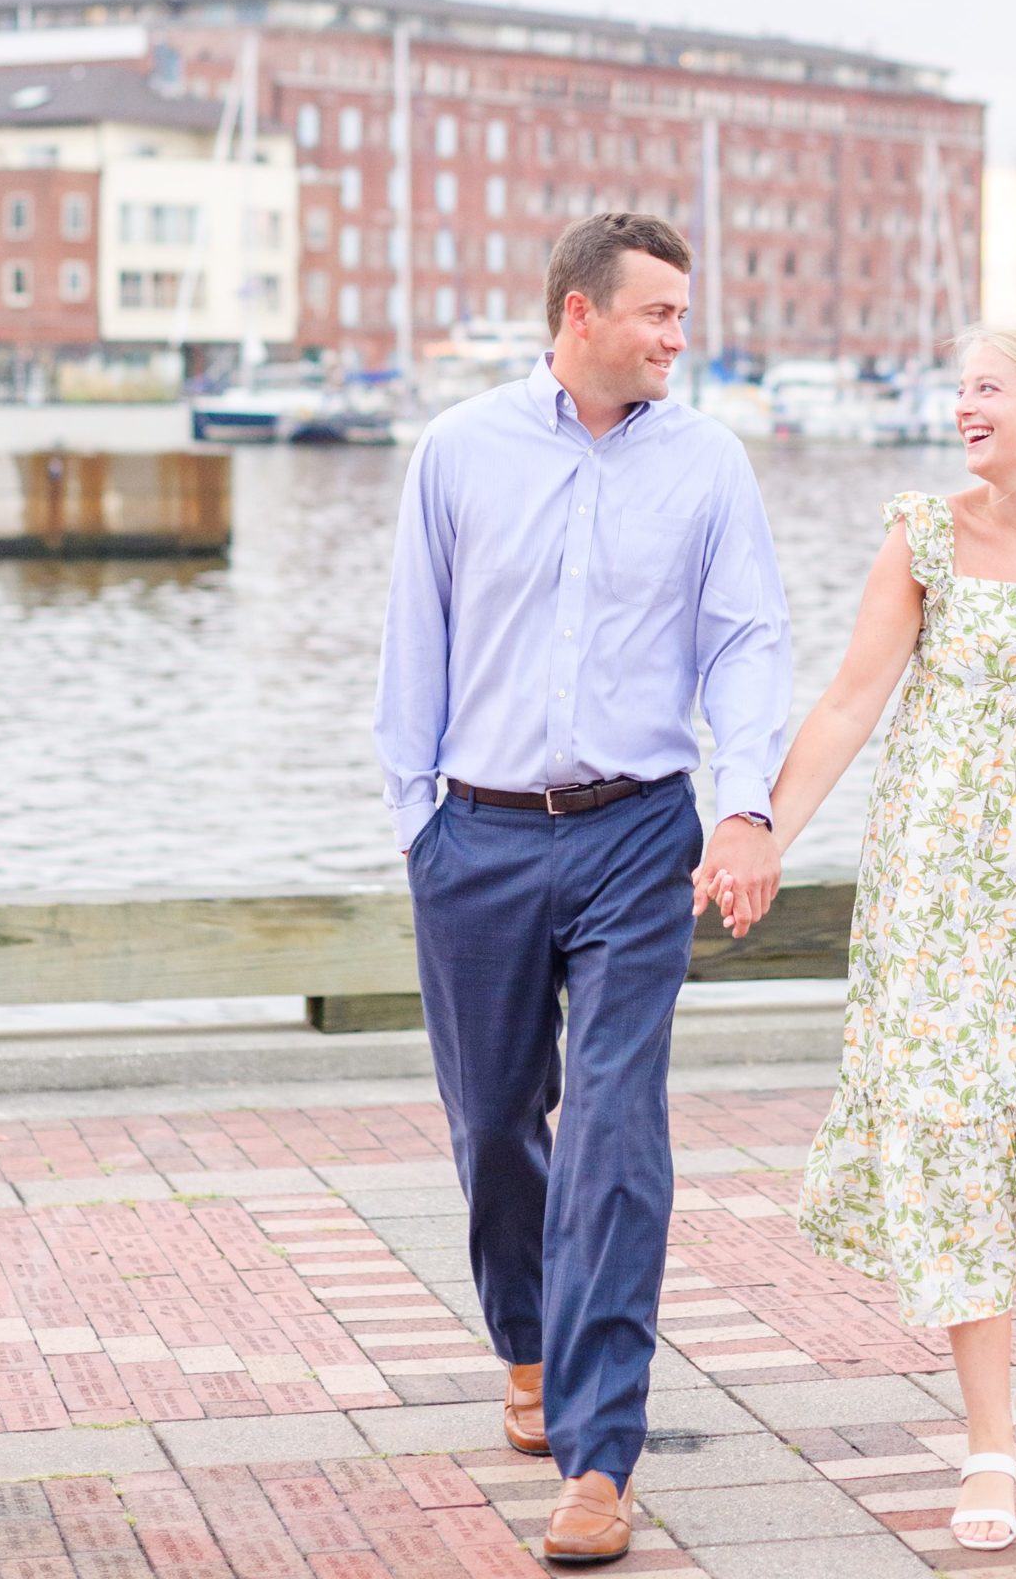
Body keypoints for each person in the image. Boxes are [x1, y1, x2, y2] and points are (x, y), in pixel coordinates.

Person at [701, 328, 1016, 1553]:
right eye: (958, 387)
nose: (961, 405)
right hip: (930, 905)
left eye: (984, 388)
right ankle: (983, 1447)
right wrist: (760, 828)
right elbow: (851, 699)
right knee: (956, 1156)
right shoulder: (924, 534)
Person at [375, 213, 792, 1568]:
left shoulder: (707, 465)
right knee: (494, 1124)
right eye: (657, 313)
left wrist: (743, 807)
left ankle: (599, 1453)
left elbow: (746, 644)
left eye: (682, 314)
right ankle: (526, 1346)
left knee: (615, 1128)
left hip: (636, 836)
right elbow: (412, 646)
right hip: (478, 839)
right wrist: (416, 828)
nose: (679, 336)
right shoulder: (458, 451)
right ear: (577, 314)